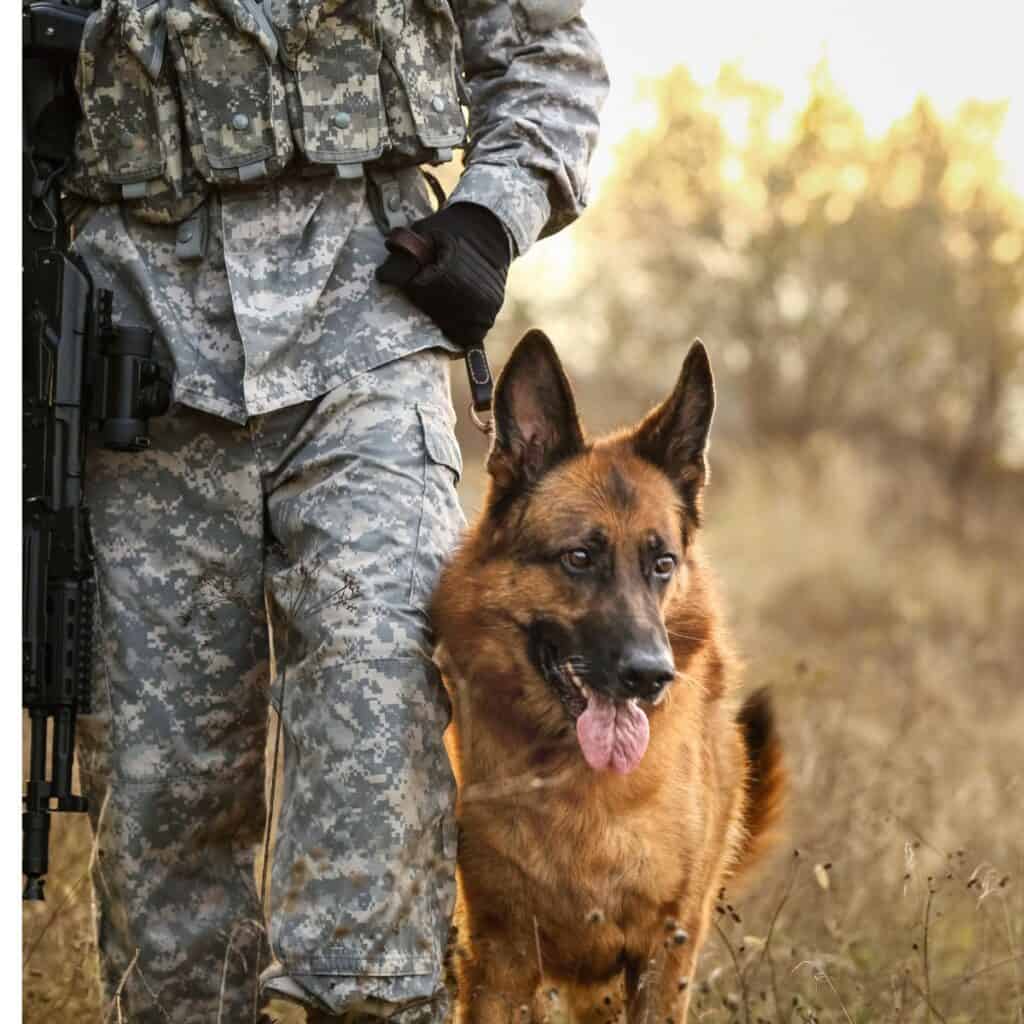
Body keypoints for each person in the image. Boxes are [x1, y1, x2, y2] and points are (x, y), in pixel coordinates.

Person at [63, 0, 607, 1021]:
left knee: (377, 726)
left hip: (370, 326)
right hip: (132, 363)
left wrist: (489, 218)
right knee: (160, 792)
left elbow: (546, 53)